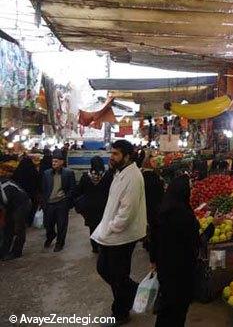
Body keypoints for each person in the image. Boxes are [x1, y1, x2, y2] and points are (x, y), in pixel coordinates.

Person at [91, 140, 146, 326]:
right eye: (111, 153)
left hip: (122, 235)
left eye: (115, 154)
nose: (111, 157)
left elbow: (127, 212)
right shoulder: (120, 173)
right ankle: (133, 291)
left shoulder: (133, 177)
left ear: (127, 156)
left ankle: (121, 312)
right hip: (113, 233)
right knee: (106, 270)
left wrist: (112, 227)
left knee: (117, 275)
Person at [150, 175, 212, 327]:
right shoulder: (185, 216)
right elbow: (197, 242)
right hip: (182, 273)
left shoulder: (161, 212)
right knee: (177, 313)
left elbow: (153, 240)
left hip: (165, 271)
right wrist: (212, 228)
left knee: (165, 310)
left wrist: (154, 261)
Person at [74, 156, 113, 253]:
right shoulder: (107, 176)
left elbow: (79, 191)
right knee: (103, 226)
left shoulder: (86, 176)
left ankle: (94, 247)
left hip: (90, 206)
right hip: (104, 206)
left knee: (92, 227)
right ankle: (102, 244)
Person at [42, 149, 76, 252]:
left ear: (62, 162)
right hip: (49, 203)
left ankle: (59, 243)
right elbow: (43, 188)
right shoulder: (47, 173)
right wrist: (43, 202)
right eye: (53, 161)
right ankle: (51, 235)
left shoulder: (68, 173)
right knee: (48, 224)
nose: (54, 163)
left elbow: (72, 188)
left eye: (56, 161)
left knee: (62, 225)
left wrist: (66, 198)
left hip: (62, 203)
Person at [0, 177, 32, 260]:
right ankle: (4, 251)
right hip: (10, 205)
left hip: (22, 204)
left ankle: (16, 252)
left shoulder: (4, 187)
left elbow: (3, 208)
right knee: (7, 229)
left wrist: (2, 220)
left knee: (18, 228)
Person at [12, 156, 41, 226]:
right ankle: (29, 221)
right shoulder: (33, 170)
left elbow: (13, 181)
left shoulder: (17, 171)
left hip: (20, 193)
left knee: (21, 209)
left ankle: (21, 221)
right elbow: (38, 182)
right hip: (32, 193)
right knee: (33, 207)